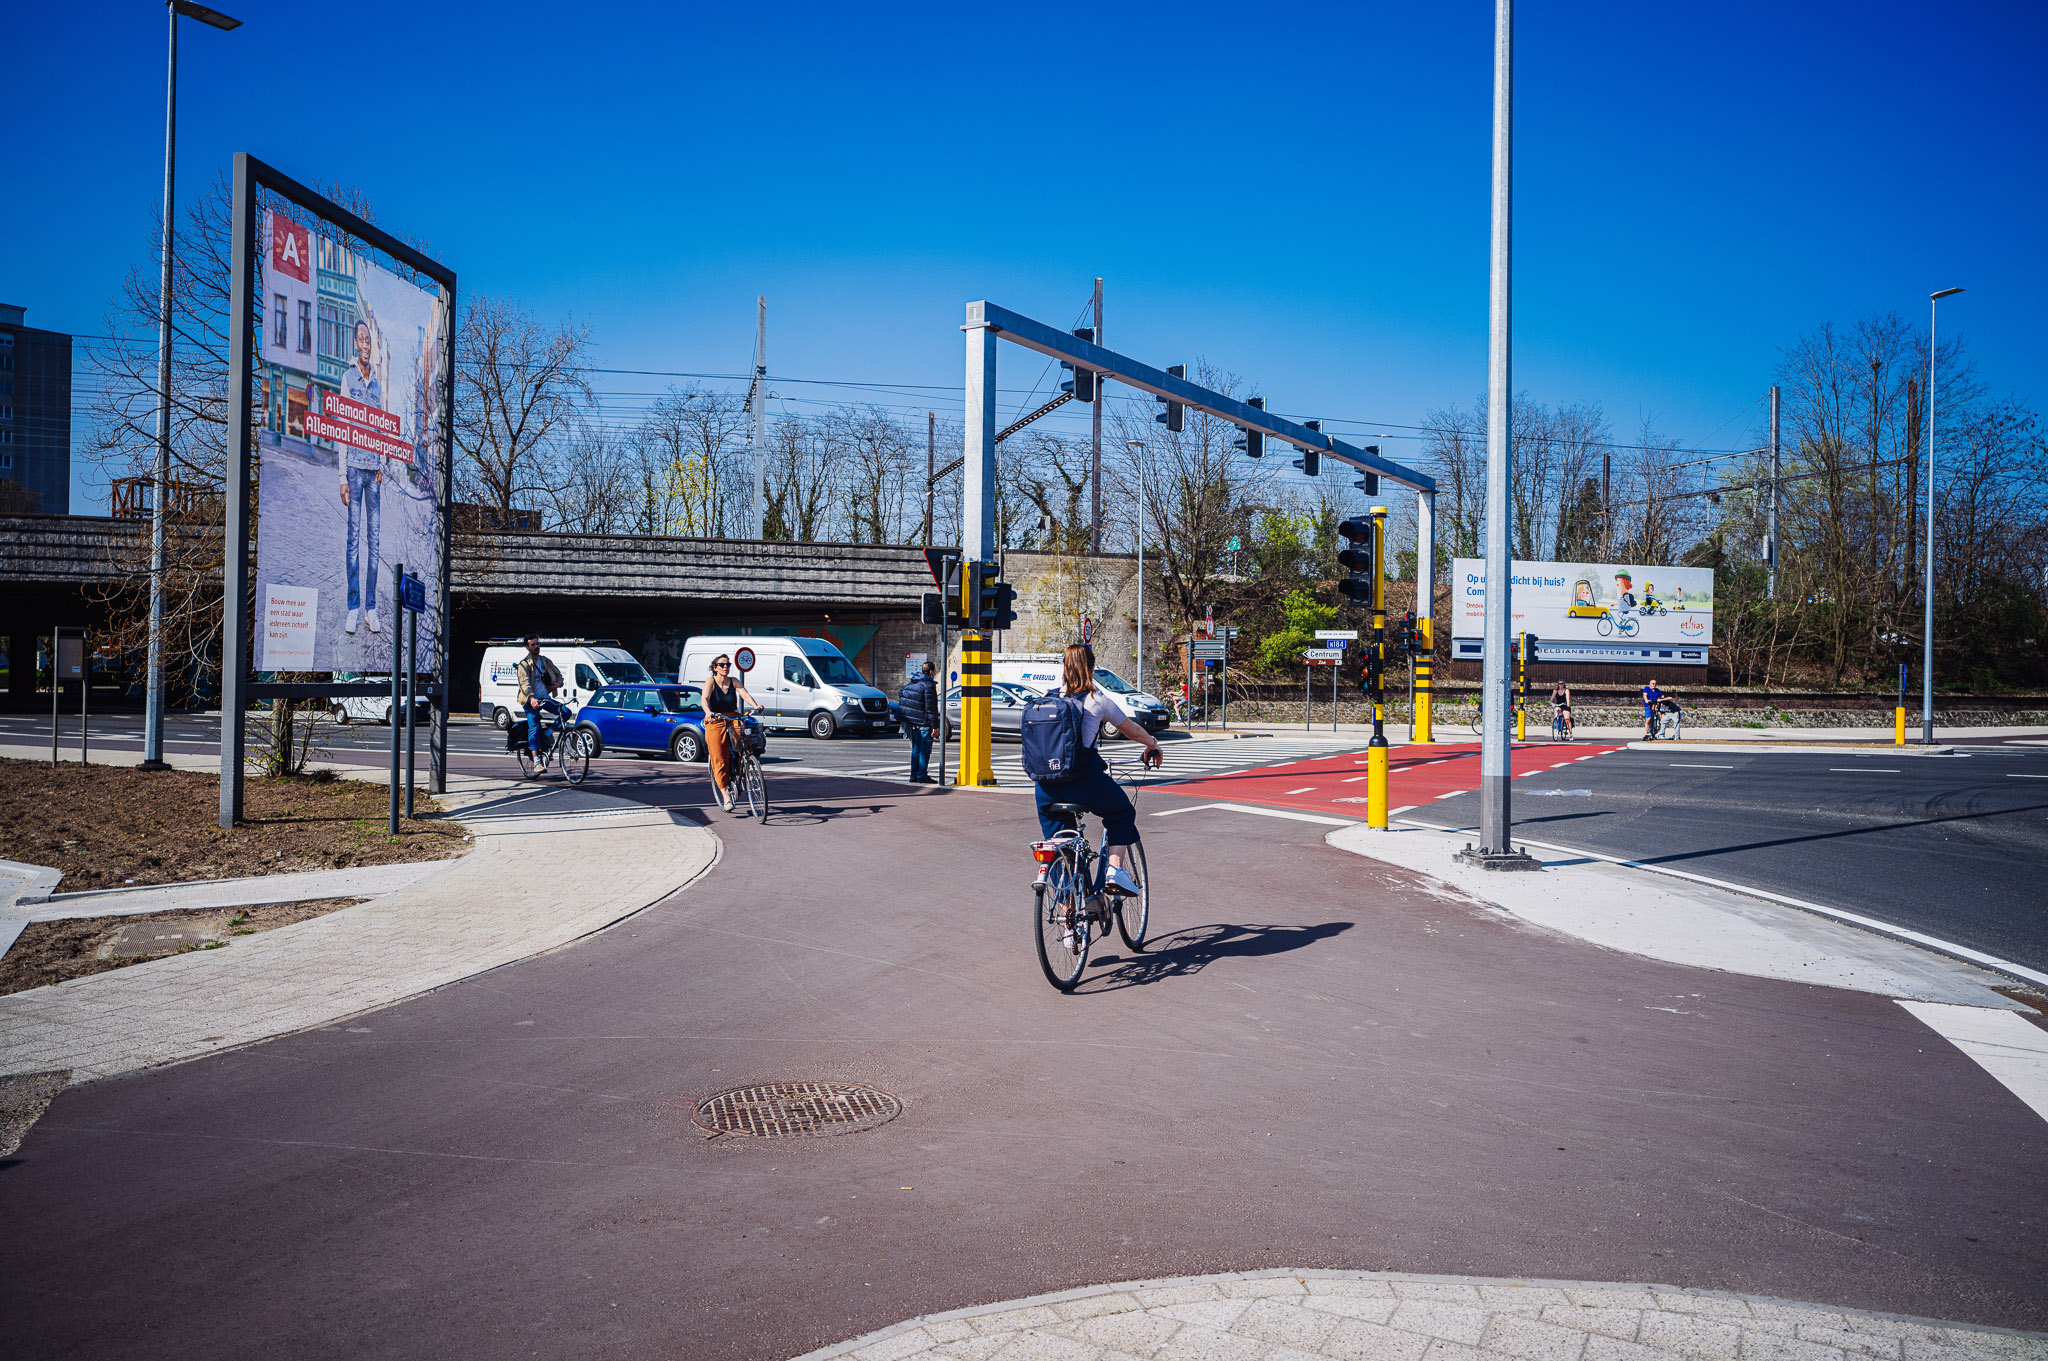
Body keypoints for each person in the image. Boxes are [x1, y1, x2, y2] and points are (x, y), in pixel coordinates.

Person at [1032, 643, 1164, 899]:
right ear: (1091, 669)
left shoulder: (1047, 698)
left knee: (1061, 848)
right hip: (1084, 782)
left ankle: (1069, 927)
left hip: (1045, 787)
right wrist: (1152, 745)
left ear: (1065, 668)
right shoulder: (1096, 700)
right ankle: (1115, 871)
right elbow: (1132, 730)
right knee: (1122, 813)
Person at [339, 318, 388, 637]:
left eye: (369, 340)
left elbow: (381, 426)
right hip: (355, 470)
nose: (366, 345)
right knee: (353, 539)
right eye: (362, 340)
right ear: (356, 344)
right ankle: (353, 608)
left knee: (375, 541)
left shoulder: (378, 386)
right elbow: (343, 426)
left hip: (374, 472)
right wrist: (342, 475)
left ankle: (371, 608)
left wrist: (383, 460)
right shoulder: (348, 378)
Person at [702, 654, 762, 812]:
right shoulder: (711, 682)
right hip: (715, 718)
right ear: (715, 667)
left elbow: (744, 693)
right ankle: (726, 796)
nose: (725, 667)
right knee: (719, 756)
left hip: (732, 715)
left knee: (744, 739)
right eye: (722, 665)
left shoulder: (733, 680)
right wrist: (708, 712)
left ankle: (747, 764)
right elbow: (704, 698)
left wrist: (756, 706)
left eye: (727, 664)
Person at [516, 636, 566, 756]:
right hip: (530, 701)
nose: (536, 646)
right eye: (533, 645)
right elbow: (524, 684)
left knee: (566, 712)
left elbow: (558, 675)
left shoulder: (545, 661)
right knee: (534, 727)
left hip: (545, 699)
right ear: (527, 647)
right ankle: (536, 760)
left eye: (537, 644)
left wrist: (557, 684)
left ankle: (548, 733)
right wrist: (532, 698)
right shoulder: (524, 664)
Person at [897, 661, 940, 784]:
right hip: (924, 722)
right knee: (925, 751)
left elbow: (903, 695)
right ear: (931, 672)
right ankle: (922, 775)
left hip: (913, 722)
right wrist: (934, 726)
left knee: (916, 749)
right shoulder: (928, 685)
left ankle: (913, 775)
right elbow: (931, 707)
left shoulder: (912, 683)